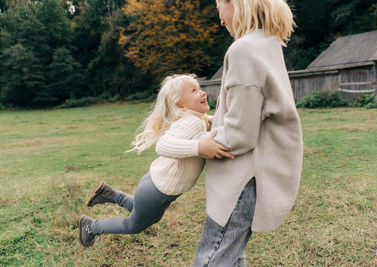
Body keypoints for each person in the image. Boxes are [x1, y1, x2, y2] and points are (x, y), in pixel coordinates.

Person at [192, 0, 303, 265]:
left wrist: (195, 143)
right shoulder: (268, 44)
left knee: (210, 260)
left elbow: (241, 133)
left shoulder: (244, 49)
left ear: (238, 4)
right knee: (232, 258)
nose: (221, 20)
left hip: (242, 180)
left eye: (221, 8)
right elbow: (250, 112)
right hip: (253, 177)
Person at [78, 74, 233, 247]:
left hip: (154, 184)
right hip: (157, 191)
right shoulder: (191, 122)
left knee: (144, 211)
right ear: (180, 104)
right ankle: (92, 226)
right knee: (133, 225)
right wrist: (199, 148)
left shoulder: (197, 120)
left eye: (200, 88)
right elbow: (163, 145)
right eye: (194, 91)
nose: (202, 93)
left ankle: (110, 194)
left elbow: (211, 123)